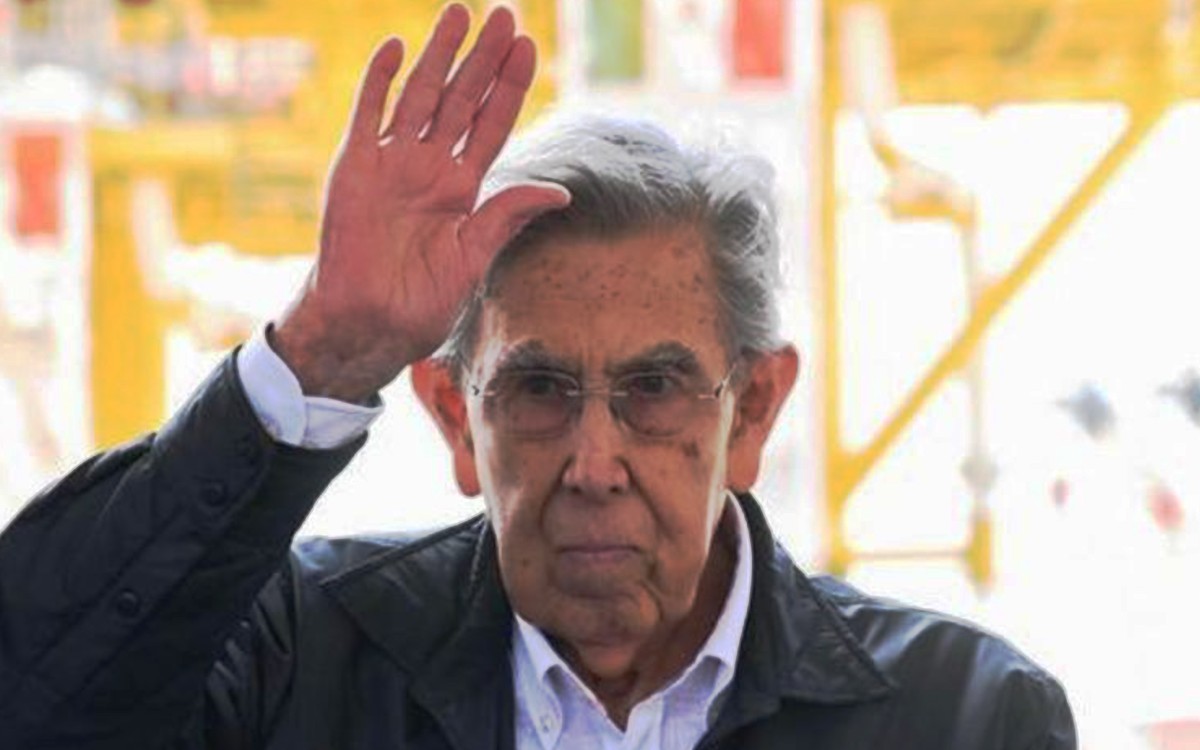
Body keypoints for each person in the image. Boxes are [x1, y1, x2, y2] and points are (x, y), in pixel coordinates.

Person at [0, 4, 1076, 748]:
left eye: (654, 390)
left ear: (752, 412)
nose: (594, 462)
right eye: (538, 391)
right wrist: (319, 351)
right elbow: (37, 707)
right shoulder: (297, 661)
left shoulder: (972, 719)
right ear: (453, 418)